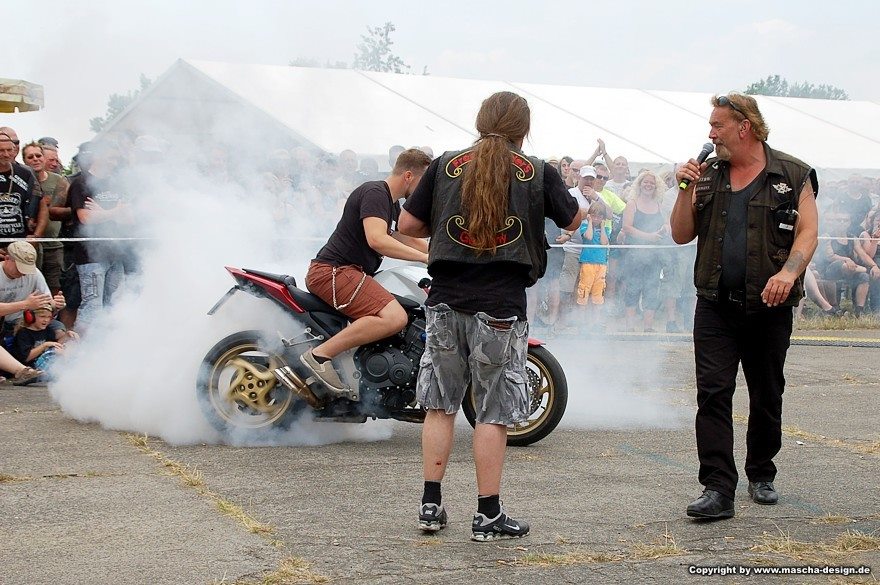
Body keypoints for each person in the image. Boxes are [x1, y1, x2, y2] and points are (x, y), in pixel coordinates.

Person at [398, 91, 582, 541]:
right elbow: (573, 220)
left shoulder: (445, 165)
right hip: (500, 304)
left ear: (480, 122)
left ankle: (430, 505)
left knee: (440, 404)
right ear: (524, 128)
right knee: (493, 412)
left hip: (445, 300)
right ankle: (487, 514)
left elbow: (407, 226)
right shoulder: (537, 171)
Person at [671, 92, 819, 519]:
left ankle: (761, 471)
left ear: (745, 127)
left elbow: (808, 232)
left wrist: (788, 273)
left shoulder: (792, 173)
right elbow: (680, 234)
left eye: (717, 125)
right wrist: (683, 190)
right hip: (714, 305)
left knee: (767, 393)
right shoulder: (707, 175)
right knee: (713, 393)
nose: (711, 133)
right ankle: (718, 488)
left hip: (770, 307)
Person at [301, 148, 431, 397]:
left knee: (403, 313)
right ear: (408, 176)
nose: (424, 192)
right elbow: (377, 239)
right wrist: (425, 258)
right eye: (423, 184)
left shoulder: (390, 204)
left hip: (346, 273)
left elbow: (405, 238)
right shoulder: (375, 193)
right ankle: (319, 356)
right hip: (334, 272)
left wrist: (440, 253)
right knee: (395, 317)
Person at [621, 171, 666, 332]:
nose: (648, 185)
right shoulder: (632, 204)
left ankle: (648, 327)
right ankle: (630, 327)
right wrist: (649, 237)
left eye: (652, 183)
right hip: (634, 254)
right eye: (645, 182)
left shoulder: (659, 205)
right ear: (639, 184)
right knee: (633, 288)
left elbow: (667, 224)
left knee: (652, 289)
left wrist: (665, 228)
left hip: (654, 256)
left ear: (656, 186)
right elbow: (626, 227)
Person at [0, 241, 65, 338]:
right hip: (3, 321)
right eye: (20, 268)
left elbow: (46, 302)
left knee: (59, 331)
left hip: (25, 320)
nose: (24, 273)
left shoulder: (35, 273)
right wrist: (26, 304)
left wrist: (56, 305)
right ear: (7, 259)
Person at [11, 303, 78, 372]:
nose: (46, 320)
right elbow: (26, 358)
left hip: (46, 363)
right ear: (30, 317)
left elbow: (54, 344)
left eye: (49, 317)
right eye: (42, 316)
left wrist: (67, 336)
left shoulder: (48, 330)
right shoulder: (23, 333)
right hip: (29, 367)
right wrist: (44, 345)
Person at [576, 201, 611, 331]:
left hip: (601, 264)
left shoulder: (606, 229)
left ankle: (596, 322)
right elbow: (588, 237)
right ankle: (582, 322)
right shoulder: (585, 226)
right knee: (584, 290)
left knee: (598, 292)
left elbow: (604, 242)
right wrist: (589, 222)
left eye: (599, 217)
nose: (596, 219)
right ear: (590, 215)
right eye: (594, 216)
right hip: (588, 263)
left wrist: (602, 227)